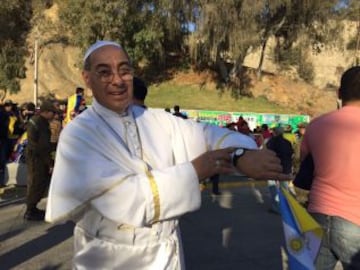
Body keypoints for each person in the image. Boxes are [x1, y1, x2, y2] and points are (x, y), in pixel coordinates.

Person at [45, 40, 289, 269]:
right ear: (87, 78)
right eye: (104, 72)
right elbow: (127, 199)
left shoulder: (155, 119)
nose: (117, 80)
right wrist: (197, 170)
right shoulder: (79, 134)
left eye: (124, 70)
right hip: (109, 257)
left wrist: (240, 154)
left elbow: (205, 134)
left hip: (167, 253)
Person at [301, 66, 360, 269]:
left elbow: (305, 166)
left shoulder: (315, 125)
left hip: (316, 215)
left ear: (339, 93)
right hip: (355, 221)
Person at [24, 100, 57, 221]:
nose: (55, 116)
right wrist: (50, 163)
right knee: (37, 182)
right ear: (46, 112)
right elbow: (43, 146)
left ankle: (32, 208)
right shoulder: (42, 123)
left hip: (34, 155)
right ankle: (30, 211)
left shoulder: (36, 120)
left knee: (36, 182)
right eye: (53, 113)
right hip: (37, 157)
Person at [266, 126, 294, 214]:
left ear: (275, 132)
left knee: (272, 186)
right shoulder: (287, 142)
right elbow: (291, 154)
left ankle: (275, 207)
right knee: (284, 188)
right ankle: (286, 206)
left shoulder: (271, 142)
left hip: (273, 167)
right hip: (285, 167)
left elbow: (267, 153)